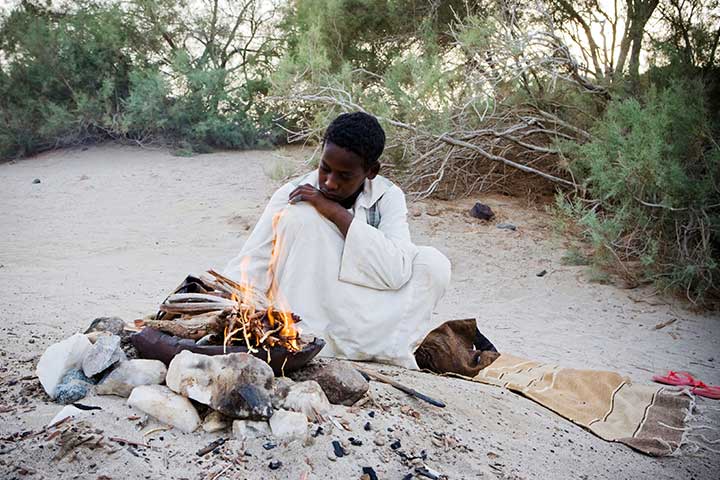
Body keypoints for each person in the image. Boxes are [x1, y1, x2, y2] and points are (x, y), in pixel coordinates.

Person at [223, 112, 451, 369]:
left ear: (371, 171)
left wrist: (335, 212)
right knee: (301, 217)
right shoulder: (293, 195)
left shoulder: (387, 196)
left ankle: (388, 350)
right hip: (310, 313)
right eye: (325, 169)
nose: (330, 183)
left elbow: (396, 271)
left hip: (367, 309)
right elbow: (254, 261)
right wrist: (224, 306)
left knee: (434, 263)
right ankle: (305, 344)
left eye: (345, 176)